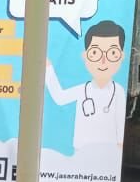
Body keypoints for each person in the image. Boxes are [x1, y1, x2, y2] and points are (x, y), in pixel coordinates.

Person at [44, 19, 128, 151]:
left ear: (121, 56)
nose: (103, 61)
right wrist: (48, 68)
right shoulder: (83, 90)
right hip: (82, 151)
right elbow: (60, 97)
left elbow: (120, 124)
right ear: (85, 56)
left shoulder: (118, 91)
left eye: (112, 53)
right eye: (95, 53)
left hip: (108, 153)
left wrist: (118, 148)